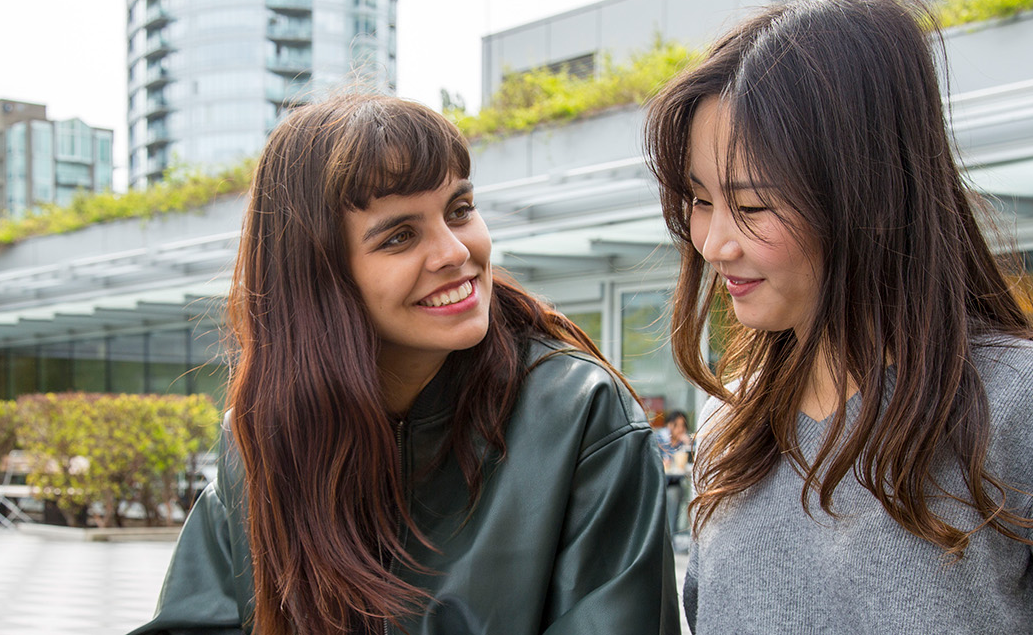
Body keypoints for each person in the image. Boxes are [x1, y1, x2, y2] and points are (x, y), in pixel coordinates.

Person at [643, 0, 1033, 632]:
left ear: (873, 197)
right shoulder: (733, 428)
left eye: (752, 206)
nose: (715, 242)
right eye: (698, 200)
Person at [134, 94, 678, 635]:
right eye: (399, 236)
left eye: (460, 210)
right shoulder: (260, 436)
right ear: (320, 281)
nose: (453, 252)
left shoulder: (580, 412)